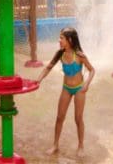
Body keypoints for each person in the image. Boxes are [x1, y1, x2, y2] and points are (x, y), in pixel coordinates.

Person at [36, 27, 96, 156]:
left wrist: (87, 84)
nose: (59, 41)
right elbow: (48, 68)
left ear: (70, 40)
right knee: (59, 117)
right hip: (66, 88)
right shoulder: (60, 54)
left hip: (79, 88)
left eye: (61, 38)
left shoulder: (79, 55)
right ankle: (55, 145)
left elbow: (92, 70)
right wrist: (38, 80)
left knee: (78, 118)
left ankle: (81, 146)